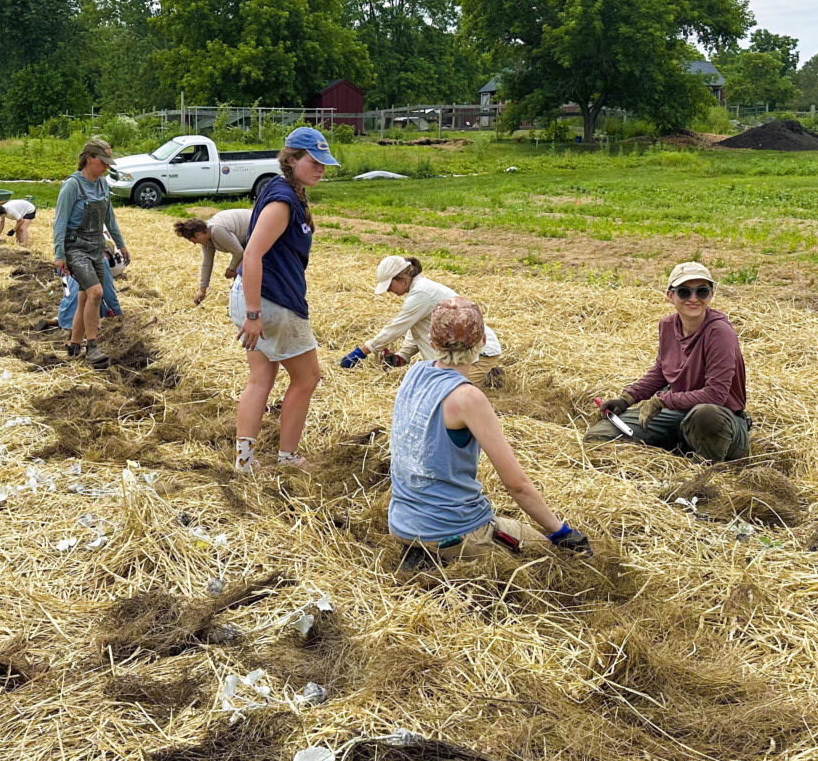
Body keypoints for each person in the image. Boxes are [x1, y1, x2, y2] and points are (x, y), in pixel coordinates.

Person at [389, 296, 591, 566]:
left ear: (433, 342)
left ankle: (425, 554)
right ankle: (445, 553)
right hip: (453, 530)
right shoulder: (467, 398)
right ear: (483, 341)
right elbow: (517, 486)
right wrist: (561, 532)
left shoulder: (414, 374)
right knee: (547, 556)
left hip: (402, 523)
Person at [230, 127, 339, 473]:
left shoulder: (287, 192)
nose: (321, 168)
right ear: (291, 160)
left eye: (324, 163)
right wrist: (253, 313)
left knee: (261, 379)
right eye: (314, 161)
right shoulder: (282, 200)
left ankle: (245, 463)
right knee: (307, 378)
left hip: (262, 299)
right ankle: (288, 457)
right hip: (271, 302)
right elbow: (252, 255)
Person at [585, 261, 750, 461]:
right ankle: (679, 446)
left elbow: (716, 395)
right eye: (684, 292)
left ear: (711, 294)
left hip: (722, 421)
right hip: (678, 413)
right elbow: (661, 371)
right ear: (670, 295)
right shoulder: (668, 325)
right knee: (600, 436)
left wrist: (662, 400)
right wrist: (627, 398)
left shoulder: (720, 333)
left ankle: (704, 467)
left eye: (702, 292)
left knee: (705, 415)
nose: (693, 298)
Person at [339, 255, 505, 389]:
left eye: (390, 285)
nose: (389, 290)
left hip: (476, 352)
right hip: (459, 352)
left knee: (450, 393)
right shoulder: (419, 291)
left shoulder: (422, 293)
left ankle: (486, 374)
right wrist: (403, 356)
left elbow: (396, 328)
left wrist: (362, 351)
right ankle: (488, 376)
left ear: (402, 278)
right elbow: (418, 327)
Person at [52, 139, 129, 369]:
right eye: (102, 162)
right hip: (75, 247)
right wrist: (59, 254)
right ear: (89, 159)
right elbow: (60, 222)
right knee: (96, 292)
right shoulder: (72, 186)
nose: (106, 167)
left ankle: (74, 344)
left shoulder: (103, 185)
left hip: (95, 246)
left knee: (85, 296)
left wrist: (120, 244)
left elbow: (109, 218)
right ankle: (92, 348)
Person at [174, 209, 252, 305]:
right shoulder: (207, 238)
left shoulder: (217, 230)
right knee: (238, 270)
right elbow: (207, 263)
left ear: (197, 234)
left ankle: (241, 302)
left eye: (192, 240)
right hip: (245, 237)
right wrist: (202, 290)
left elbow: (239, 252)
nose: (194, 243)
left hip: (255, 227)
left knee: (240, 270)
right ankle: (237, 300)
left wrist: (231, 269)